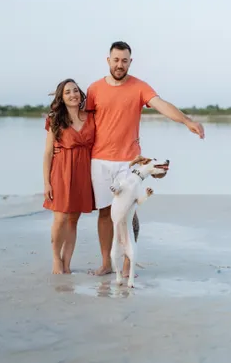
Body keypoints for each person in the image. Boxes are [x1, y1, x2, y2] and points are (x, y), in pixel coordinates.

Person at [86, 41, 205, 277]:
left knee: (130, 213)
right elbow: (84, 122)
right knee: (105, 213)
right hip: (99, 160)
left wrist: (187, 121)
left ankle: (128, 264)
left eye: (124, 60)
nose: (120, 65)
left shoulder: (139, 87)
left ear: (130, 61)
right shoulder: (94, 89)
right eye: (116, 60)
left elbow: (162, 105)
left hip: (129, 161)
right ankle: (106, 263)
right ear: (108, 60)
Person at [43, 78, 95, 274]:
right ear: (62, 98)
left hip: (84, 171)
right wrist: (46, 182)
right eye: (67, 92)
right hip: (61, 171)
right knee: (60, 218)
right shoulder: (55, 119)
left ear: (81, 94)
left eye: (75, 90)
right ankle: (56, 259)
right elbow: (48, 152)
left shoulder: (92, 117)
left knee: (74, 219)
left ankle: (67, 263)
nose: (73, 94)